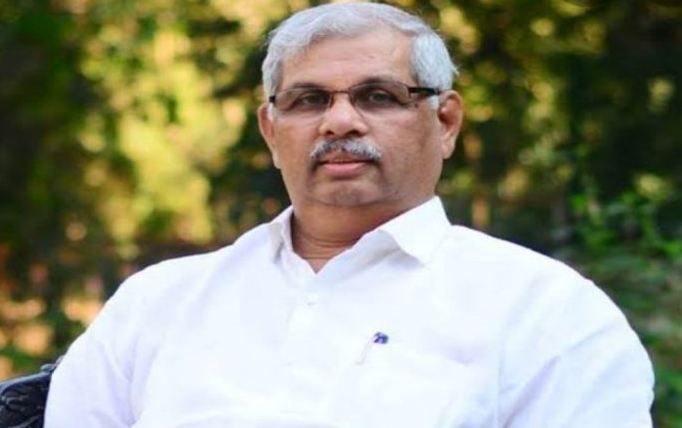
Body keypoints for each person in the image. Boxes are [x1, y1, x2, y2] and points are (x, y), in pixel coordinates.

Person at [45, 2, 654, 427]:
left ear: (445, 122)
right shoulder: (158, 303)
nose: (339, 121)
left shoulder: (547, 313)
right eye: (309, 99)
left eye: (378, 96)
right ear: (271, 129)